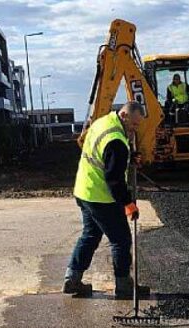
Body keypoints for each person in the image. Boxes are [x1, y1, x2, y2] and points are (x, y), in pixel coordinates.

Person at [64, 101, 148, 299]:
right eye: (134, 124)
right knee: (121, 240)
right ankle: (123, 286)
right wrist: (128, 204)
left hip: (84, 190)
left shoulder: (103, 122)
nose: (135, 129)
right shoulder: (116, 140)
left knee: (90, 235)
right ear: (125, 115)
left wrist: (129, 156)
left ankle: (72, 278)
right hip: (101, 196)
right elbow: (114, 180)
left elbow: (105, 154)